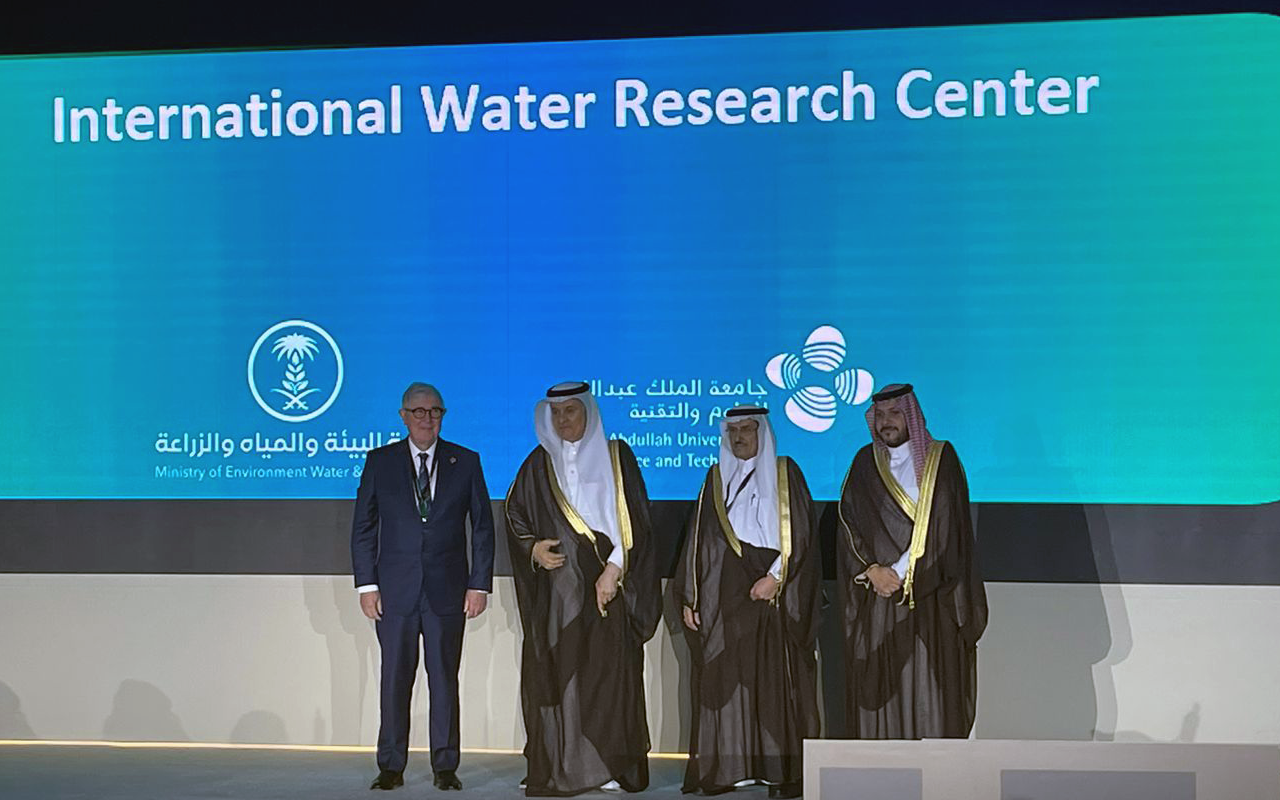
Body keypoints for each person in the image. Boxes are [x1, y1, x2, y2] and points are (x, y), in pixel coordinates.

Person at [505, 381, 661, 796]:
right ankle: (561, 764)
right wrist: (532, 548)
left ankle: (608, 765)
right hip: (559, 595)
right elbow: (515, 514)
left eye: (571, 411)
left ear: (588, 412)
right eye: (556, 413)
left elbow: (637, 523)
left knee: (608, 679)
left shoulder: (617, 457)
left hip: (609, 590)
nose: (563, 420)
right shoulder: (538, 464)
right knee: (559, 679)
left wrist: (614, 570)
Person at [351, 382, 495, 790]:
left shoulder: (466, 461)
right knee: (395, 679)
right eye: (419, 411)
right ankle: (391, 765)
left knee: (444, 680)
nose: (427, 419)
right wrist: (367, 585)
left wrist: (479, 585)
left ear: (442, 416)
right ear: (403, 416)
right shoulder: (380, 462)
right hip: (394, 592)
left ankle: (445, 766)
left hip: (448, 591)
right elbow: (364, 526)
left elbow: (482, 528)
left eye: (435, 411)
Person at [675, 407, 820, 799]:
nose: (739, 437)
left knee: (775, 683)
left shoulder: (786, 474)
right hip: (726, 598)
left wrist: (776, 577)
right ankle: (732, 768)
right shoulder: (715, 478)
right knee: (726, 682)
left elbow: (802, 534)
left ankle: (779, 769)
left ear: (763, 433)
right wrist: (691, 596)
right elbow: (698, 542)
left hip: (773, 595)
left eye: (747, 429)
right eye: (733, 431)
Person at [837, 383, 987, 739]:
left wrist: (901, 573)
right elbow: (848, 523)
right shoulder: (864, 463)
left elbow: (945, 528)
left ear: (911, 416)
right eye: (880, 415)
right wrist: (872, 570)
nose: (886, 422)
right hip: (879, 599)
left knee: (930, 693)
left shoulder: (940, 460)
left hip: (931, 597)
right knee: (881, 693)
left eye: (895, 413)